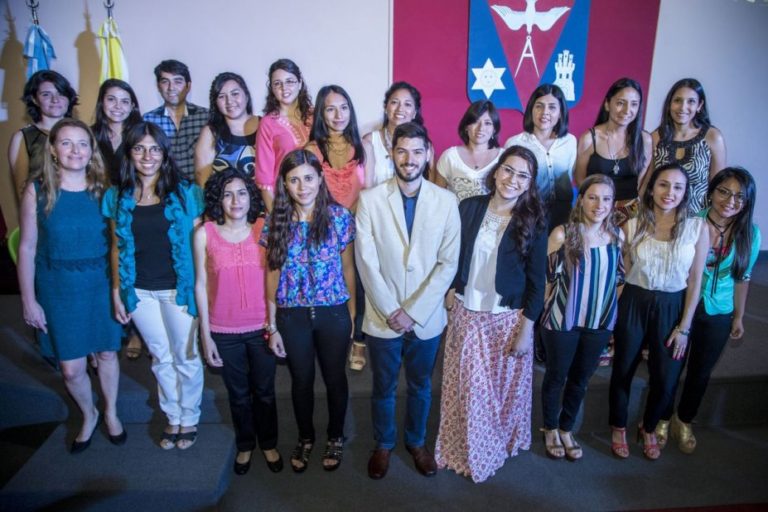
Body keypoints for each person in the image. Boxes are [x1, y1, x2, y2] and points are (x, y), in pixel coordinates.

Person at [435, 145, 547, 482]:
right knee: (470, 391)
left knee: (500, 392)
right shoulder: (469, 207)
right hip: (467, 313)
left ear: (530, 183)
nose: (513, 179)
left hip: (507, 318)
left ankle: (497, 444)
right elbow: (451, 255)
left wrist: (526, 329)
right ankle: (469, 450)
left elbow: (537, 283)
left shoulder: (534, 221)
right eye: (508, 170)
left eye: (523, 175)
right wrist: (450, 288)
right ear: (496, 171)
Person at [356, 122, 460, 480]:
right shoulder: (370, 199)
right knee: (383, 387)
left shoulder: (446, 201)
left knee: (420, 386)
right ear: (392, 154)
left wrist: (413, 312)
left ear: (428, 154)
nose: (409, 158)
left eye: (417, 151)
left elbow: (448, 263)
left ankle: (416, 442)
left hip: (426, 318)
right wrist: (392, 310)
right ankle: (384, 444)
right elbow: (366, 261)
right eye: (402, 151)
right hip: (382, 315)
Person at [17, 118, 124, 453]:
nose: (75, 150)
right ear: (52, 149)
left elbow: (118, 245)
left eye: (82, 143)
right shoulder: (37, 190)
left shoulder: (105, 190)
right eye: (66, 142)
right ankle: (89, 413)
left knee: (106, 352)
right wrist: (29, 300)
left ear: (92, 150)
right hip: (58, 288)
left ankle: (111, 411)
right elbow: (27, 248)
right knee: (71, 368)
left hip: (100, 283)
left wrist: (121, 290)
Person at [103, 121, 204, 450]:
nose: (147, 156)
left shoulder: (187, 193)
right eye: (139, 148)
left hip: (179, 290)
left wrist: (203, 290)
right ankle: (172, 416)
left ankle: (190, 417)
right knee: (161, 357)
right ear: (129, 153)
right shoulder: (116, 196)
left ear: (165, 153)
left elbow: (200, 247)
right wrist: (117, 290)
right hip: (140, 291)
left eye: (154, 149)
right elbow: (116, 247)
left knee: (186, 356)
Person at [262, 149, 355, 472]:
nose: (302, 187)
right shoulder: (276, 221)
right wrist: (272, 326)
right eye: (294, 180)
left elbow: (348, 267)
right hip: (292, 316)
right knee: (301, 380)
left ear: (320, 178)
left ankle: (335, 436)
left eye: (308, 178)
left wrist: (352, 315)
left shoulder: (339, 217)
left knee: (335, 378)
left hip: (333, 313)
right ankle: (305, 437)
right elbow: (272, 274)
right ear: (284, 184)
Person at [656, 167, 759, 453]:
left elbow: (743, 277)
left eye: (739, 196)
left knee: (701, 371)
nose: (730, 201)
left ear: (747, 202)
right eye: (724, 192)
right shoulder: (689, 222)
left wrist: (738, 315)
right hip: (682, 306)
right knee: (670, 368)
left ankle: (684, 419)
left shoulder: (750, 234)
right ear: (711, 192)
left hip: (719, 311)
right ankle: (661, 418)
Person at [608, 164, 708, 460]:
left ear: (685, 193)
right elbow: (621, 273)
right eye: (663, 184)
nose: (669, 192)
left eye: (678, 187)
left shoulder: (697, 228)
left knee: (666, 378)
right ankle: (618, 426)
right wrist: (613, 316)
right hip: (634, 301)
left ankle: (649, 426)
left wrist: (684, 328)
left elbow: (696, 281)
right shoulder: (632, 225)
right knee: (623, 370)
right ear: (651, 189)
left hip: (673, 306)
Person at [194, 168, 282, 475]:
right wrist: (205, 335)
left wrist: (275, 326)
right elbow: (200, 285)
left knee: (265, 391)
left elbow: (275, 279)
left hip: (262, 327)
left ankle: (268, 442)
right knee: (239, 394)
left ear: (251, 197)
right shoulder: (204, 234)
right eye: (228, 194)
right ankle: (246, 444)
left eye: (242, 193)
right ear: (218, 199)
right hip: (224, 330)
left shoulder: (264, 228)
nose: (236, 201)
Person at [539, 175, 624, 462]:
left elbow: (618, 280)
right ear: (582, 200)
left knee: (580, 380)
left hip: (598, 324)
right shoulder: (562, 235)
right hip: (562, 321)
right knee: (556, 376)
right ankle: (550, 428)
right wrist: (542, 317)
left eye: (606, 199)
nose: (599, 205)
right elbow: (547, 281)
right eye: (593, 197)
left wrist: (608, 312)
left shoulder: (618, 236)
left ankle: (566, 429)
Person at [305, 84, 368, 370]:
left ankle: (358, 339)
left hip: (359, 227)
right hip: (324, 231)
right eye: (330, 109)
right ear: (321, 114)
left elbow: (369, 190)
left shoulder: (363, 147)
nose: (338, 114)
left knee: (361, 283)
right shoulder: (311, 150)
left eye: (343, 108)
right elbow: (307, 195)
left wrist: (354, 223)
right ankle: (333, 339)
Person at [91, 78, 144, 360]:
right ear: (102, 103)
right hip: (97, 209)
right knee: (104, 267)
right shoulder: (90, 135)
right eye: (111, 99)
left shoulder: (141, 134)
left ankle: (136, 329)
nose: (118, 106)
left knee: (131, 265)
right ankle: (107, 325)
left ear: (133, 105)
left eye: (125, 101)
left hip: (133, 209)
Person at [648, 78, 727, 214]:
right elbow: (647, 183)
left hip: (697, 218)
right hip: (659, 217)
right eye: (677, 100)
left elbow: (719, 187)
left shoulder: (712, 137)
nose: (683, 107)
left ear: (699, 105)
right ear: (669, 104)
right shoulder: (656, 138)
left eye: (691, 101)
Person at [574, 78, 652, 215]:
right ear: (607, 104)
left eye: (634, 104)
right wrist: (599, 210)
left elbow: (641, 184)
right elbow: (581, 180)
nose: (627, 110)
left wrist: (628, 213)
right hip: (595, 212)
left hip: (630, 213)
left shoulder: (645, 140)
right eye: (621, 103)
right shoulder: (589, 138)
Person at [506, 84, 577, 230]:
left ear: (561, 113)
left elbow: (572, 175)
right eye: (539, 106)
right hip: (528, 214)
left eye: (552, 107)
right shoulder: (515, 143)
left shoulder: (570, 141)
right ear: (531, 110)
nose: (545, 112)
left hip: (564, 214)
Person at [8, 70, 78, 201]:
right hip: (44, 209)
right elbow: (22, 191)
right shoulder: (23, 137)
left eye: (61, 93)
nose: (55, 100)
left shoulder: (83, 133)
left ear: (69, 98)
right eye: (46, 94)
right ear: (35, 99)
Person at [255, 59, 313, 211]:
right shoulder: (268, 123)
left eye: (289, 81)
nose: (284, 88)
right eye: (277, 83)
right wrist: (276, 218)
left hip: (317, 199)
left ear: (300, 83)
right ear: (272, 88)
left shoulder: (315, 116)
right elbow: (265, 180)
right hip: (285, 202)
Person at [143, 59, 208, 179]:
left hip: (199, 187)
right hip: (164, 188)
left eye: (177, 81)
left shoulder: (206, 117)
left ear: (188, 86)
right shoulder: (148, 120)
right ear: (158, 86)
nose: (171, 87)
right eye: (165, 82)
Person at [194, 72, 260, 187]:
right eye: (221, 96)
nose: (229, 101)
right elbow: (202, 178)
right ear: (215, 102)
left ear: (246, 96)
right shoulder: (211, 132)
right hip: (222, 198)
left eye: (235, 94)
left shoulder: (266, 125)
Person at [362, 82, 428, 187]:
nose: (400, 109)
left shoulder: (424, 145)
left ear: (415, 112)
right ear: (385, 107)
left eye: (407, 104)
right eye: (394, 102)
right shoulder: (369, 141)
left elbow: (430, 187)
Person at [435, 99, 502, 201]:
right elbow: (437, 197)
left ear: (494, 129)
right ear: (466, 127)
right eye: (475, 121)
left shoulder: (504, 158)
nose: (481, 128)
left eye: (487, 123)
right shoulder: (449, 156)